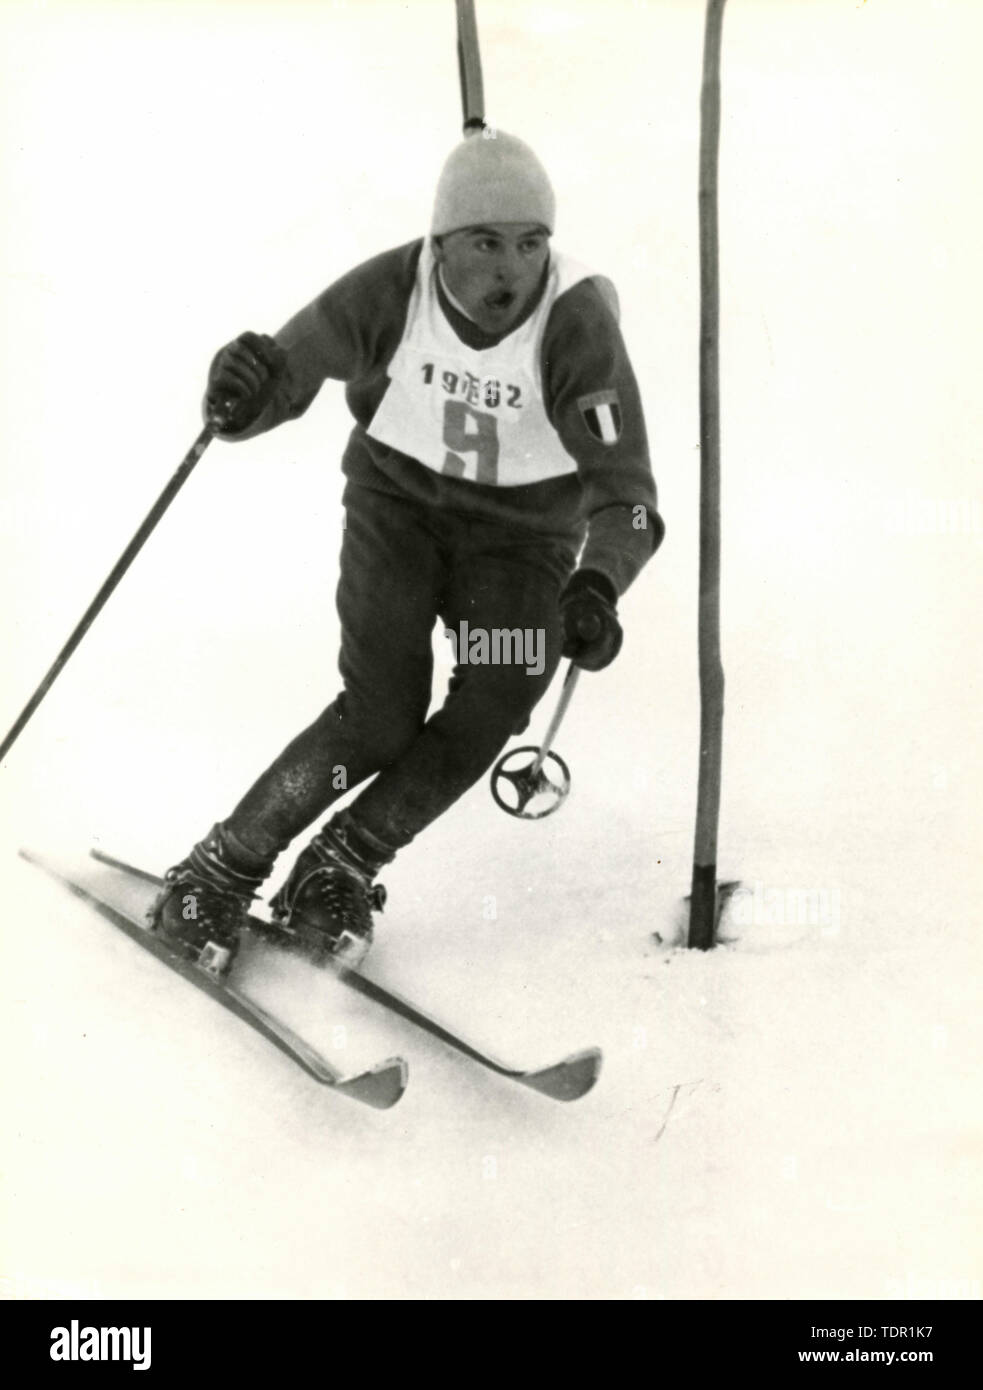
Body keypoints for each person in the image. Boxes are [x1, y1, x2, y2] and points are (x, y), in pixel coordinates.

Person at [150, 129, 665, 978]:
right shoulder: (395, 289)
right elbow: (283, 375)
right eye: (486, 243)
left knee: (502, 684)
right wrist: (236, 392)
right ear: (440, 245)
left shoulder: (574, 326)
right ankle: (219, 870)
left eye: (531, 243)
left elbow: (628, 498)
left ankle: (342, 865)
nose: (511, 270)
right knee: (381, 708)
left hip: (520, 542)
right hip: (399, 517)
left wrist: (596, 585)